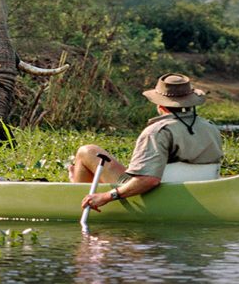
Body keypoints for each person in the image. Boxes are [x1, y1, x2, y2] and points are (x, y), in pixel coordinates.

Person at [70, 73, 223, 212]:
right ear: (191, 103)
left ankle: (78, 200)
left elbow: (149, 180)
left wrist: (107, 196)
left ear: (160, 106)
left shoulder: (157, 131)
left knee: (87, 151)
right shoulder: (210, 127)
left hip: (158, 195)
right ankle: (81, 185)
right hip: (195, 193)